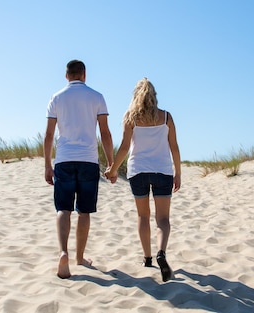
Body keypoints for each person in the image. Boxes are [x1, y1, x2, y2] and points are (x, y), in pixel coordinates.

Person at [105, 77, 181, 282]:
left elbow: (123, 147)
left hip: (138, 171)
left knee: (143, 216)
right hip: (163, 171)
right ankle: (161, 253)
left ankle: (147, 258)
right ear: (154, 96)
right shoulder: (166, 117)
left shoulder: (131, 117)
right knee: (163, 219)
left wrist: (113, 170)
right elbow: (174, 147)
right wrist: (178, 173)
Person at [44, 60, 114, 279]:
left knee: (63, 209)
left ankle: (63, 252)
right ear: (84, 74)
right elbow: (105, 133)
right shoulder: (97, 97)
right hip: (88, 160)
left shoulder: (56, 97)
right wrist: (111, 163)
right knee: (84, 211)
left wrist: (47, 164)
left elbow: (48, 135)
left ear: (66, 76)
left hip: (64, 159)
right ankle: (80, 257)